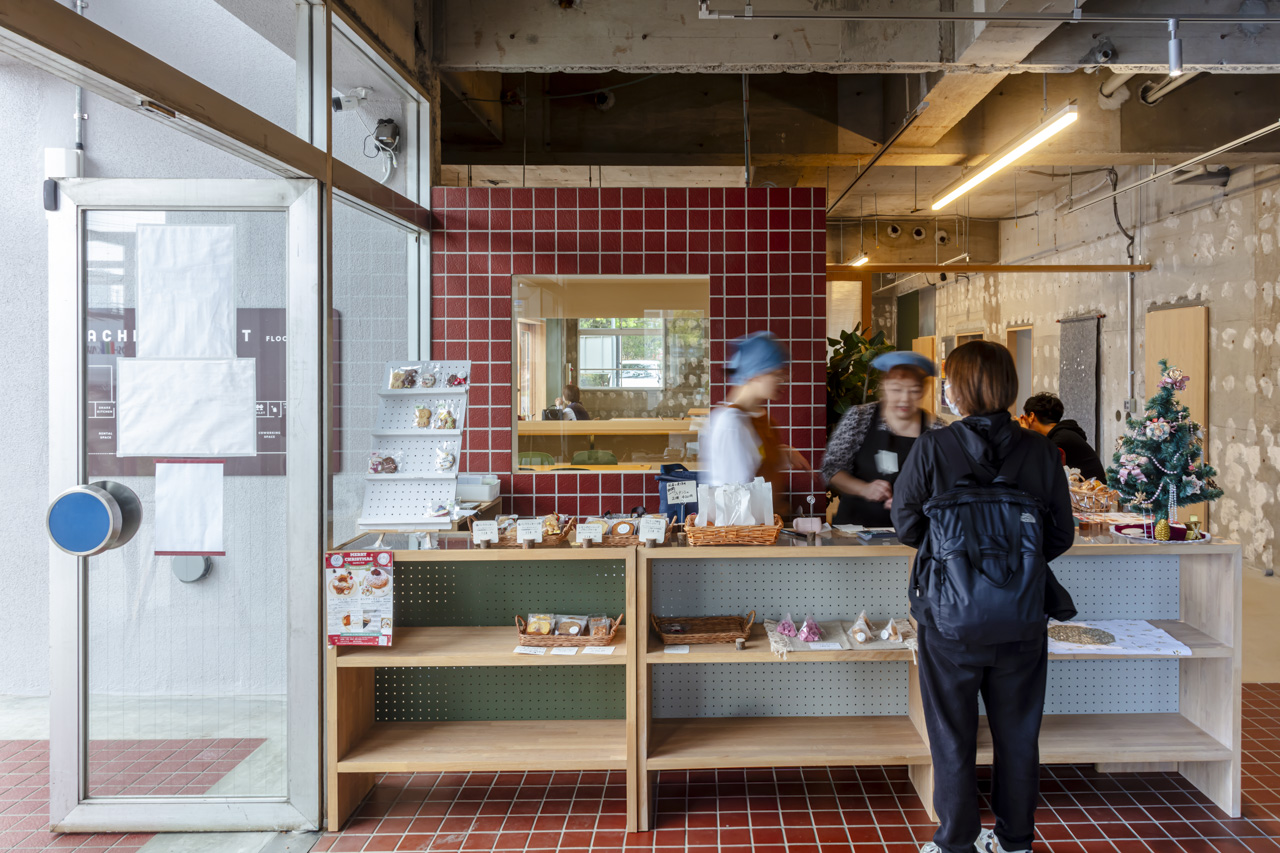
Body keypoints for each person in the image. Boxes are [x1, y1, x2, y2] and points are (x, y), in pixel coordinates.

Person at [891, 341, 1074, 853]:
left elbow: (906, 524)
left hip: (949, 619)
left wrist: (958, 563)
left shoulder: (933, 447)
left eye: (949, 379)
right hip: (1023, 617)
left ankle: (956, 842)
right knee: (1018, 734)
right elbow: (1061, 534)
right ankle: (1015, 841)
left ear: (963, 388)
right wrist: (1014, 569)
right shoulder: (1041, 450)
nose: (946, 388)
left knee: (952, 734)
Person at [823, 351, 943, 527]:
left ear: (923, 391)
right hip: (854, 530)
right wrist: (864, 489)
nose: (904, 399)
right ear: (884, 386)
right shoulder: (860, 418)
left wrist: (916, 502)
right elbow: (831, 469)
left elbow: (945, 487)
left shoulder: (936, 429)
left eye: (914, 391)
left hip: (913, 533)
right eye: (897, 390)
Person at [704, 331, 810, 513]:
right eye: (777, 374)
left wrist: (784, 453)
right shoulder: (731, 423)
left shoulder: (754, 416)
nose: (783, 381)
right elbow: (739, 496)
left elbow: (755, 459)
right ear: (755, 374)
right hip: (748, 527)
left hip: (764, 523)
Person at [1019, 392, 1106, 481]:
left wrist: (1025, 436)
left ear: (1031, 416)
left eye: (1025, 418)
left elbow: (1033, 468)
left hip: (1091, 489)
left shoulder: (1061, 439)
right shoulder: (1062, 434)